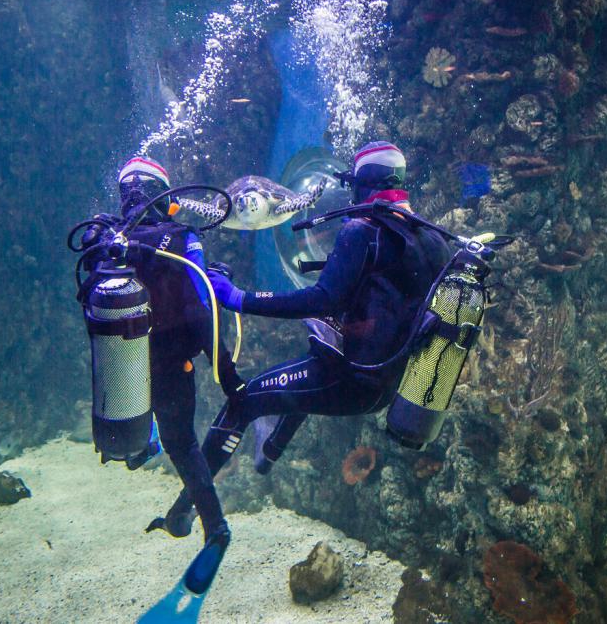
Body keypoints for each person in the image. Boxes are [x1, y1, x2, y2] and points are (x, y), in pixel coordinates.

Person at [163, 141, 452, 519]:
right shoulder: (433, 239)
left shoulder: (362, 231)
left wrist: (239, 298)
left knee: (244, 400)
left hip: (351, 380)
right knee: (312, 353)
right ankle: (269, 450)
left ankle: (184, 511)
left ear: (363, 183)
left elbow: (321, 299)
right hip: (390, 385)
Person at [90, 156, 236, 551]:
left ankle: (140, 446)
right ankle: (216, 528)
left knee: (140, 429)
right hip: (173, 364)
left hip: (123, 367)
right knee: (184, 446)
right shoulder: (182, 238)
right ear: (164, 196)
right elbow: (200, 309)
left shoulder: (107, 243)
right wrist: (226, 372)